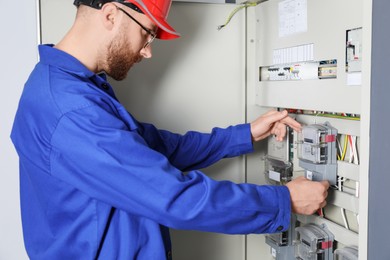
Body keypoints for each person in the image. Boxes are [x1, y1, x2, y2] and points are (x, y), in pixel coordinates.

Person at [11, 0, 329, 259]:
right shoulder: (71, 109)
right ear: (110, 14)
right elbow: (174, 198)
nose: (147, 51)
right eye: (147, 34)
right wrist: (282, 201)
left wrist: (244, 134)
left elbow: (157, 149)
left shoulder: (74, 88)